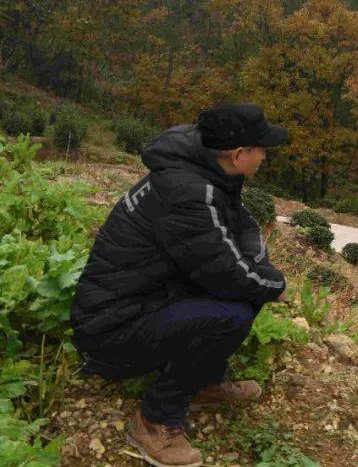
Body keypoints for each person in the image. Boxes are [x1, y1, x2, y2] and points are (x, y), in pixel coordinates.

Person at [70, 104, 290, 467]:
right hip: (109, 332)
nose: (265, 156)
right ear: (238, 154)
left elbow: (243, 225)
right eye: (261, 148)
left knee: (247, 291)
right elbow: (229, 274)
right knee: (234, 312)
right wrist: (275, 283)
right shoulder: (189, 193)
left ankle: (203, 380)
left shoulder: (206, 168)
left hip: (143, 300)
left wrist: (260, 269)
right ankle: (155, 421)